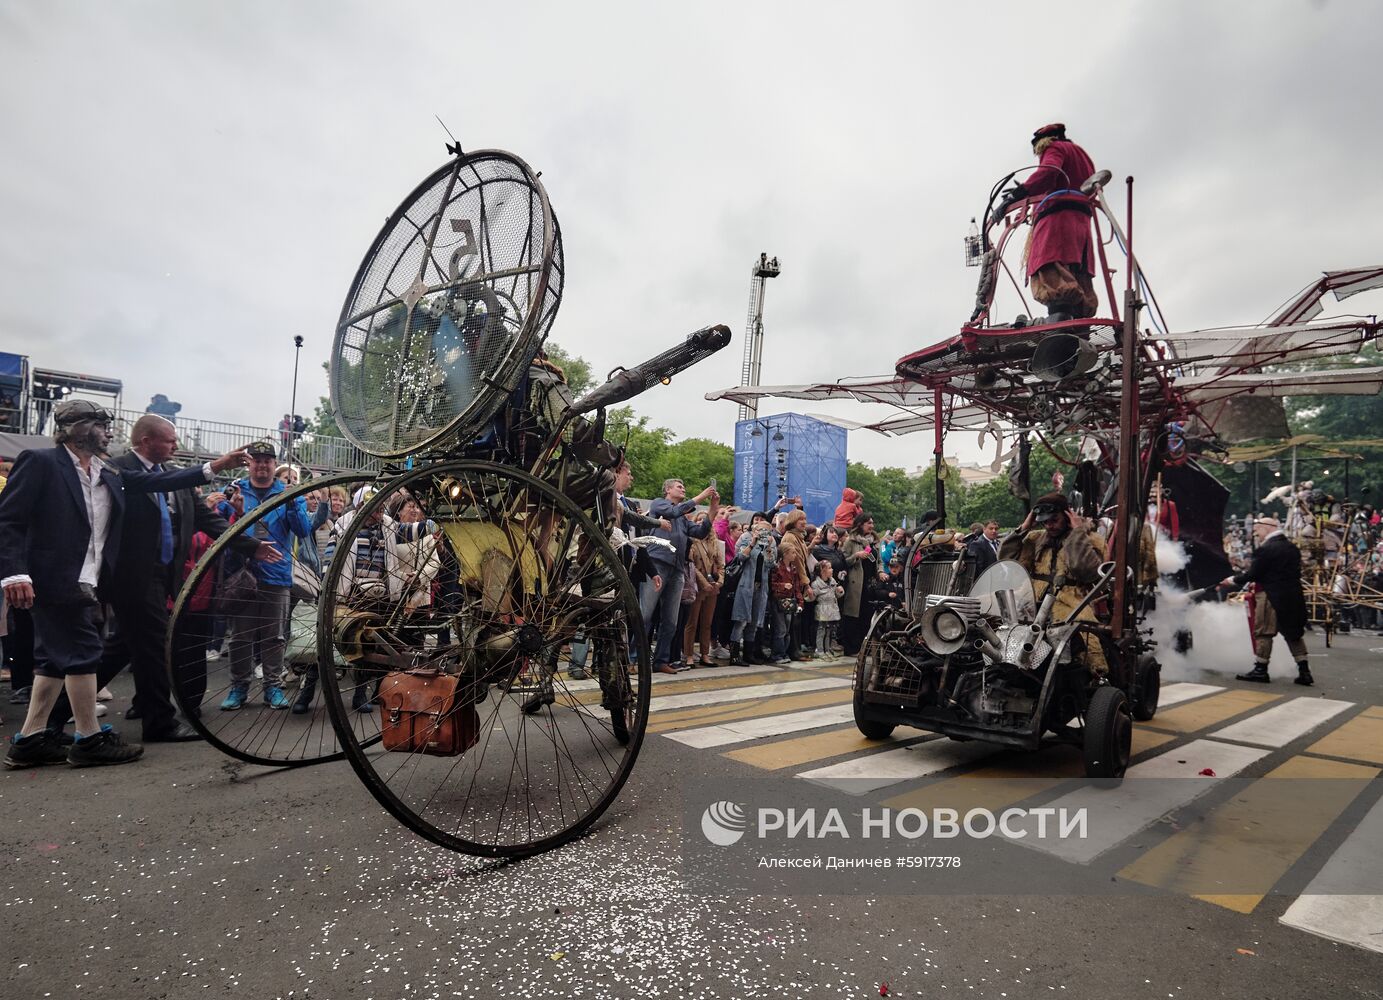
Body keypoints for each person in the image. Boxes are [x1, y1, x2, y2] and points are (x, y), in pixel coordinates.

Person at [0, 401, 246, 768]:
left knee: (54, 660)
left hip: (90, 580)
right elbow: (9, 520)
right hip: (54, 577)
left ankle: (31, 739)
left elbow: (161, 480)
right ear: (77, 428)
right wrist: (15, 573)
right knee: (84, 652)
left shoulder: (108, 470)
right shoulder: (41, 463)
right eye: (101, 425)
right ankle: (89, 738)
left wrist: (215, 467)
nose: (109, 432)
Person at [93, 414, 274, 739]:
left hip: (166, 578)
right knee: (152, 644)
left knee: (130, 646)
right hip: (130, 577)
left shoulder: (174, 478)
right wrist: (217, 466)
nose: (176, 445)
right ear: (147, 441)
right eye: (170, 440)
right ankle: (159, 721)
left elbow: (209, 520)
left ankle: (62, 709)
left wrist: (251, 546)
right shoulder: (118, 469)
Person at [220, 441, 314, 710]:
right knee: (240, 636)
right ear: (250, 463)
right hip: (242, 575)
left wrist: (296, 500)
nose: (262, 465)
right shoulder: (236, 490)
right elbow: (220, 529)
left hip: (276, 574)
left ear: (275, 465)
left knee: (274, 637)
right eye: (257, 460)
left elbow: (303, 530)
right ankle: (239, 687)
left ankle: (273, 686)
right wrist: (232, 509)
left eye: (267, 460)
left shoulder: (286, 493)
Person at [995, 123, 1100, 320]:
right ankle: (1079, 331)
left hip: (1057, 221)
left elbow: (1049, 172)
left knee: (1052, 274)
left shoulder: (1055, 148)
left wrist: (1019, 194)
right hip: (1081, 225)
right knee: (1078, 277)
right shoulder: (1081, 154)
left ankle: (1058, 336)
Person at [998, 492, 1108, 673]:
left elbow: (1086, 572)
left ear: (1066, 516)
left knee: (1087, 644)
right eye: (1045, 521)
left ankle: (1098, 682)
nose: (1049, 525)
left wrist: (1077, 533)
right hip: (1031, 601)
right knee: (1003, 633)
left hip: (1071, 603)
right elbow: (1008, 562)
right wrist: (1024, 528)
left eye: (1054, 520)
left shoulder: (1091, 539)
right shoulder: (1034, 539)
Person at [1221, 516, 1313, 685]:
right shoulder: (1292, 548)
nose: (1256, 533)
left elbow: (1253, 574)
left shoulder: (1267, 549)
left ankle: (1260, 670)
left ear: (1267, 527)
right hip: (1293, 595)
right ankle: (1304, 671)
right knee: (1293, 633)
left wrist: (1232, 580)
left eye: (1257, 529)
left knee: (1263, 632)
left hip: (1270, 595)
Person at [643, 478, 719, 675]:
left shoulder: (683, 519)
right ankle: (635, 658)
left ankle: (660, 660)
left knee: (671, 619)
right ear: (667, 490)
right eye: (679, 486)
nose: (683, 488)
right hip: (657, 563)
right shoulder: (659, 503)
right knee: (645, 614)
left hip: (677, 569)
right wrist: (701, 496)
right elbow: (673, 511)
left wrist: (713, 509)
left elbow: (701, 532)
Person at [729, 511, 777, 665]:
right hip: (745, 585)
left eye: (767, 531)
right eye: (760, 530)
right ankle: (734, 656)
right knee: (741, 620)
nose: (763, 533)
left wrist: (769, 547)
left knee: (755, 622)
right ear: (754, 529)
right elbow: (740, 557)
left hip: (760, 587)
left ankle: (748, 654)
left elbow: (771, 565)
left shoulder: (771, 542)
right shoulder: (746, 538)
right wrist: (753, 543)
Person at [682, 516, 723, 668]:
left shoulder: (714, 542)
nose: (701, 523)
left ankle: (705, 654)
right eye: (698, 521)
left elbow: (721, 565)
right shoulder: (692, 541)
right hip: (697, 585)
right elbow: (691, 564)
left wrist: (719, 582)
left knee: (707, 623)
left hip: (713, 586)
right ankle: (689, 655)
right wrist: (704, 583)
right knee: (692, 622)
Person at [772, 508, 812, 663]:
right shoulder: (790, 537)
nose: (804, 522)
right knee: (790, 621)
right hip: (792, 583)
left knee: (794, 620)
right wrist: (806, 582)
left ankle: (792, 650)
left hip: (798, 581)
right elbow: (797, 563)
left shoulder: (799, 537)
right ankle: (789, 651)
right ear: (793, 520)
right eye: (801, 519)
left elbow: (802, 558)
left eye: (805, 519)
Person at [839, 513, 879, 656]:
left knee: (866, 616)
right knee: (852, 616)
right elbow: (843, 561)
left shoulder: (869, 542)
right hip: (856, 583)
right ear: (861, 523)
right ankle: (851, 648)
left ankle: (864, 647)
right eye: (869, 523)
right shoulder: (850, 541)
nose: (872, 526)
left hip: (869, 583)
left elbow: (875, 561)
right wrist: (856, 556)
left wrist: (879, 572)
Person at [809, 561, 844, 656]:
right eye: (829, 568)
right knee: (821, 630)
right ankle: (819, 650)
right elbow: (812, 598)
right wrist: (810, 594)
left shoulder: (832, 581)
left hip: (831, 609)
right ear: (822, 571)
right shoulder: (816, 584)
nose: (832, 570)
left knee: (829, 630)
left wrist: (839, 591)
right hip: (822, 609)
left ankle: (827, 649)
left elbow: (835, 595)